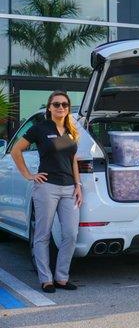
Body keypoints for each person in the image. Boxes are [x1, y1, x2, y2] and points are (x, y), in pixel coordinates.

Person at [11, 90, 82, 293]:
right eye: (57, 104)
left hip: (69, 188)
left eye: (64, 105)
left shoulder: (70, 131)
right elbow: (16, 150)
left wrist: (78, 186)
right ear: (49, 107)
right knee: (43, 234)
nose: (61, 108)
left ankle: (62, 277)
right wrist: (29, 175)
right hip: (47, 187)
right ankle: (46, 279)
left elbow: (72, 160)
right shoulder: (40, 129)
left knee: (70, 234)